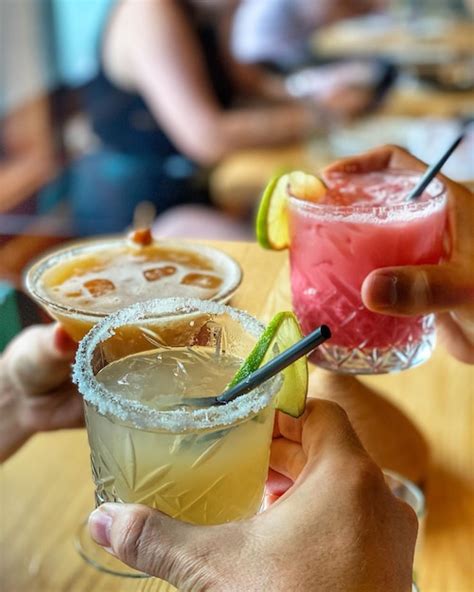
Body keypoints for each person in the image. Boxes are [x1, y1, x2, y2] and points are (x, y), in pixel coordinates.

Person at [52, 0, 375, 235]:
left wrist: (312, 95)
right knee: (281, 258)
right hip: (139, 211)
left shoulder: (211, 10)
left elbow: (250, 84)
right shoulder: (148, 11)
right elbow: (207, 136)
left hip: (195, 191)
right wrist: (322, 114)